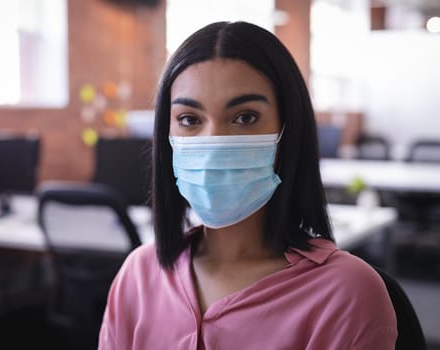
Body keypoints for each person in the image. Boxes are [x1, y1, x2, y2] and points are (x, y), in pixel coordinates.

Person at [98, 21, 397, 349]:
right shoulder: (138, 275)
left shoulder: (346, 294)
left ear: (288, 130)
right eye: (189, 119)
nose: (213, 143)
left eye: (245, 117)